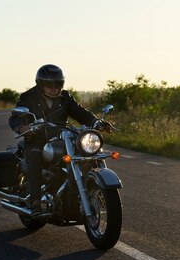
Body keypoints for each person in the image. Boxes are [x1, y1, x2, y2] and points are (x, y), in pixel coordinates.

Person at [9, 64, 108, 217]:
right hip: (36, 140)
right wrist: (23, 127)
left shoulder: (65, 98)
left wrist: (96, 122)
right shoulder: (28, 97)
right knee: (34, 158)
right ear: (40, 84)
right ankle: (35, 202)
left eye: (57, 84)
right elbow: (15, 118)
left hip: (61, 139)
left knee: (85, 155)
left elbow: (80, 113)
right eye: (49, 84)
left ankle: (86, 195)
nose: (54, 88)